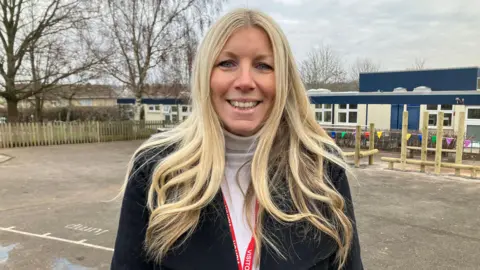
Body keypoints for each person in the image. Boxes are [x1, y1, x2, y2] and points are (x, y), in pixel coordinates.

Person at [110, 8, 363, 270]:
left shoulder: (322, 168)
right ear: (206, 76)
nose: (245, 81)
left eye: (263, 65)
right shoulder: (157, 170)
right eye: (227, 63)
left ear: (284, 80)